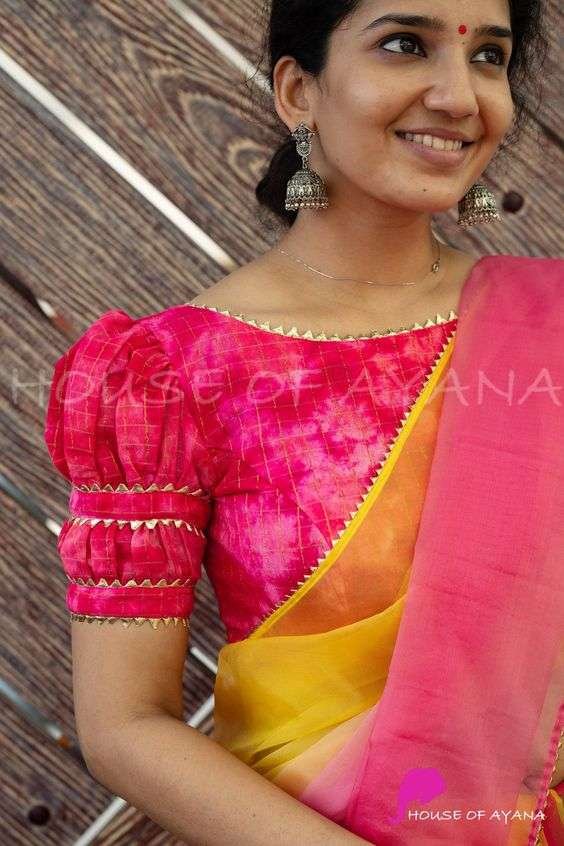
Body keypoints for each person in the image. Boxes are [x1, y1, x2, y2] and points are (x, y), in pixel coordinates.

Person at [44, 1, 563, 843]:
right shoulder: (168, 375)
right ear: (298, 90)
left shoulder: (553, 325)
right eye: (406, 44)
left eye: (489, 57)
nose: (460, 96)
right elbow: (125, 725)